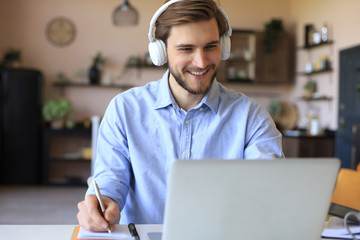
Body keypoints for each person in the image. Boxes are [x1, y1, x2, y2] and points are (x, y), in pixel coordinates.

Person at [77, 0, 283, 232]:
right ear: (161, 52)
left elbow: (268, 189)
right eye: (186, 49)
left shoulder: (251, 117)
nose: (202, 62)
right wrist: (104, 201)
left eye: (210, 47)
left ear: (223, 47)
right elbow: (110, 179)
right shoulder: (125, 109)